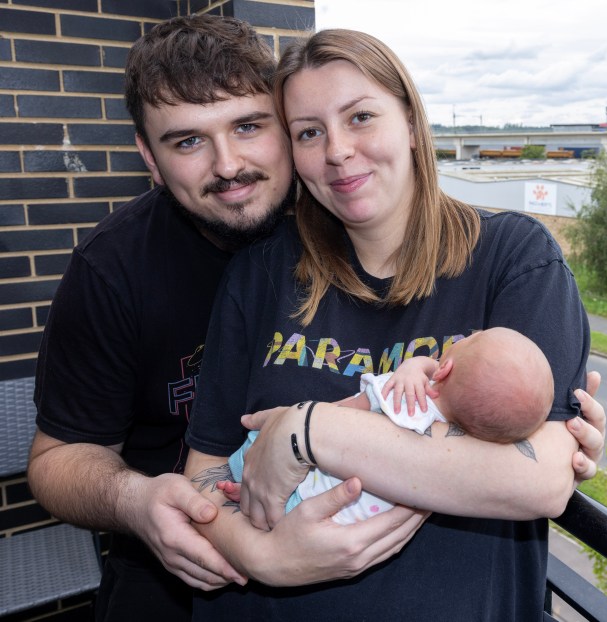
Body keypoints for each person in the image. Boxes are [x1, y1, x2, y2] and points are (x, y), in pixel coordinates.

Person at [183, 28, 604, 620]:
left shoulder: (514, 257)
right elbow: (202, 474)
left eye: (360, 117)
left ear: (410, 122)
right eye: (309, 132)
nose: (336, 151)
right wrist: (262, 555)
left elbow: (537, 483)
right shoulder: (262, 272)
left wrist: (309, 431)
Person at [26, 15, 426, 621]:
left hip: (372, 548)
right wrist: (136, 501)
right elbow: (57, 460)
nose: (229, 164)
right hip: (179, 561)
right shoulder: (113, 270)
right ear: (148, 157)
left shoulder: (347, 209)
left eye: (248, 126)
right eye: (187, 141)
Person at [224, 327, 555, 523]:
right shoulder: (464, 439)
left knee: (259, 448)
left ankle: (239, 478)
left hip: (308, 493)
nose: (468, 334)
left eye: (469, 338)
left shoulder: (399, 398)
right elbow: (437, 370)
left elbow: (336, 414)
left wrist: (298, 417)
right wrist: (415, 366)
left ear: (445, 370)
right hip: (342, 517)